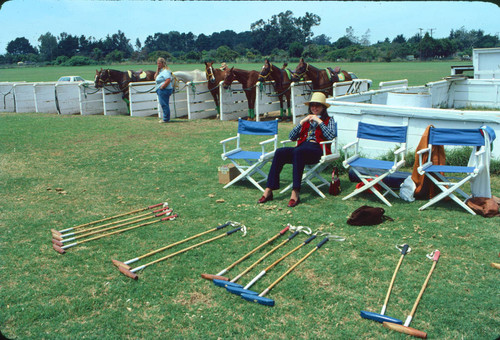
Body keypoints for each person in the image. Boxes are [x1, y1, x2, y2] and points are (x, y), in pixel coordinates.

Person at [258, 92, 336, 207]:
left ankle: (295, 192)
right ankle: (269, 190)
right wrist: (301, 123)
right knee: (280, 152)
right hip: (301, 149)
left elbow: (330, 136)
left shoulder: (329, 120)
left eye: (317, 106)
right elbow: (291, 137)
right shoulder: (306, 120)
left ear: (323, 108)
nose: (314, 108)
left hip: (317, 150)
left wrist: (319, 122)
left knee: (298, 152)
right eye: (312, 105)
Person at [154, 57, 174, 123]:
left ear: (163, 63)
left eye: (159, 63)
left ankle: (165, 119)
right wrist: (157, 70)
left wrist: (163, 86)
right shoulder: (161, 71)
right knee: (164, 104)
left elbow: (168, 79)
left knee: (164, 104)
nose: (158, 65)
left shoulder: (165, 71)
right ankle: (166, 118)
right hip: (162, 90)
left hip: (164, 90)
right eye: (157, 63)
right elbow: (155, 77)